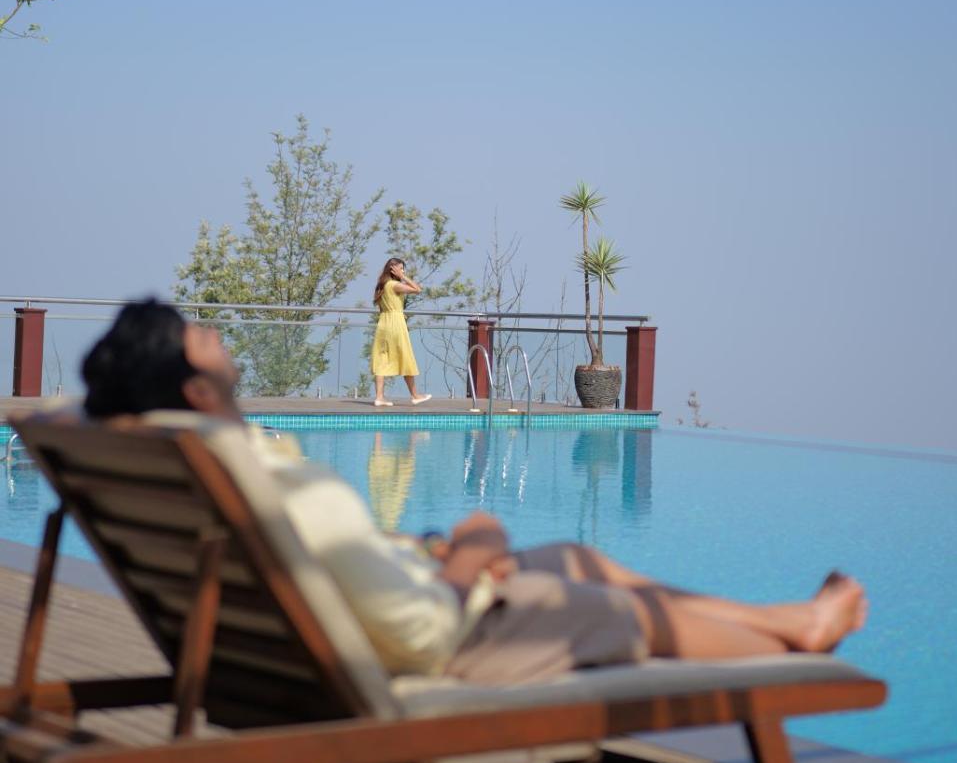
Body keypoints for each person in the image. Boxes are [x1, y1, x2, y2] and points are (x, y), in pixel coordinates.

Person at [81, 300, 868, 687]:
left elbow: (344, 569)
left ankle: (785, 621)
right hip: (441, 637)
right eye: (206, 339)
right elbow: (419, 634)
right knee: (618, 612)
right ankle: (794, 652)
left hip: (359, 619)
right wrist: (474, 552)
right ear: (197, 389)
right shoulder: (270, 479)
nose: (221, 338)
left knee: (579, 558)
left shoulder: (217, 464)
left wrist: (432, 552)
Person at [370, 257, 431, 408]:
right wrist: (403, 277)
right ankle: (415, 395)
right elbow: (417, 289)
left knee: (382, 358)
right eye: (401, 269)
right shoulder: (394, 285)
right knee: (405, 356)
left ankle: (379, 397)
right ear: (393, 270)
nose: (403, 271)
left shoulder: (382, 286)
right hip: (396, 324)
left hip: (383, 323)